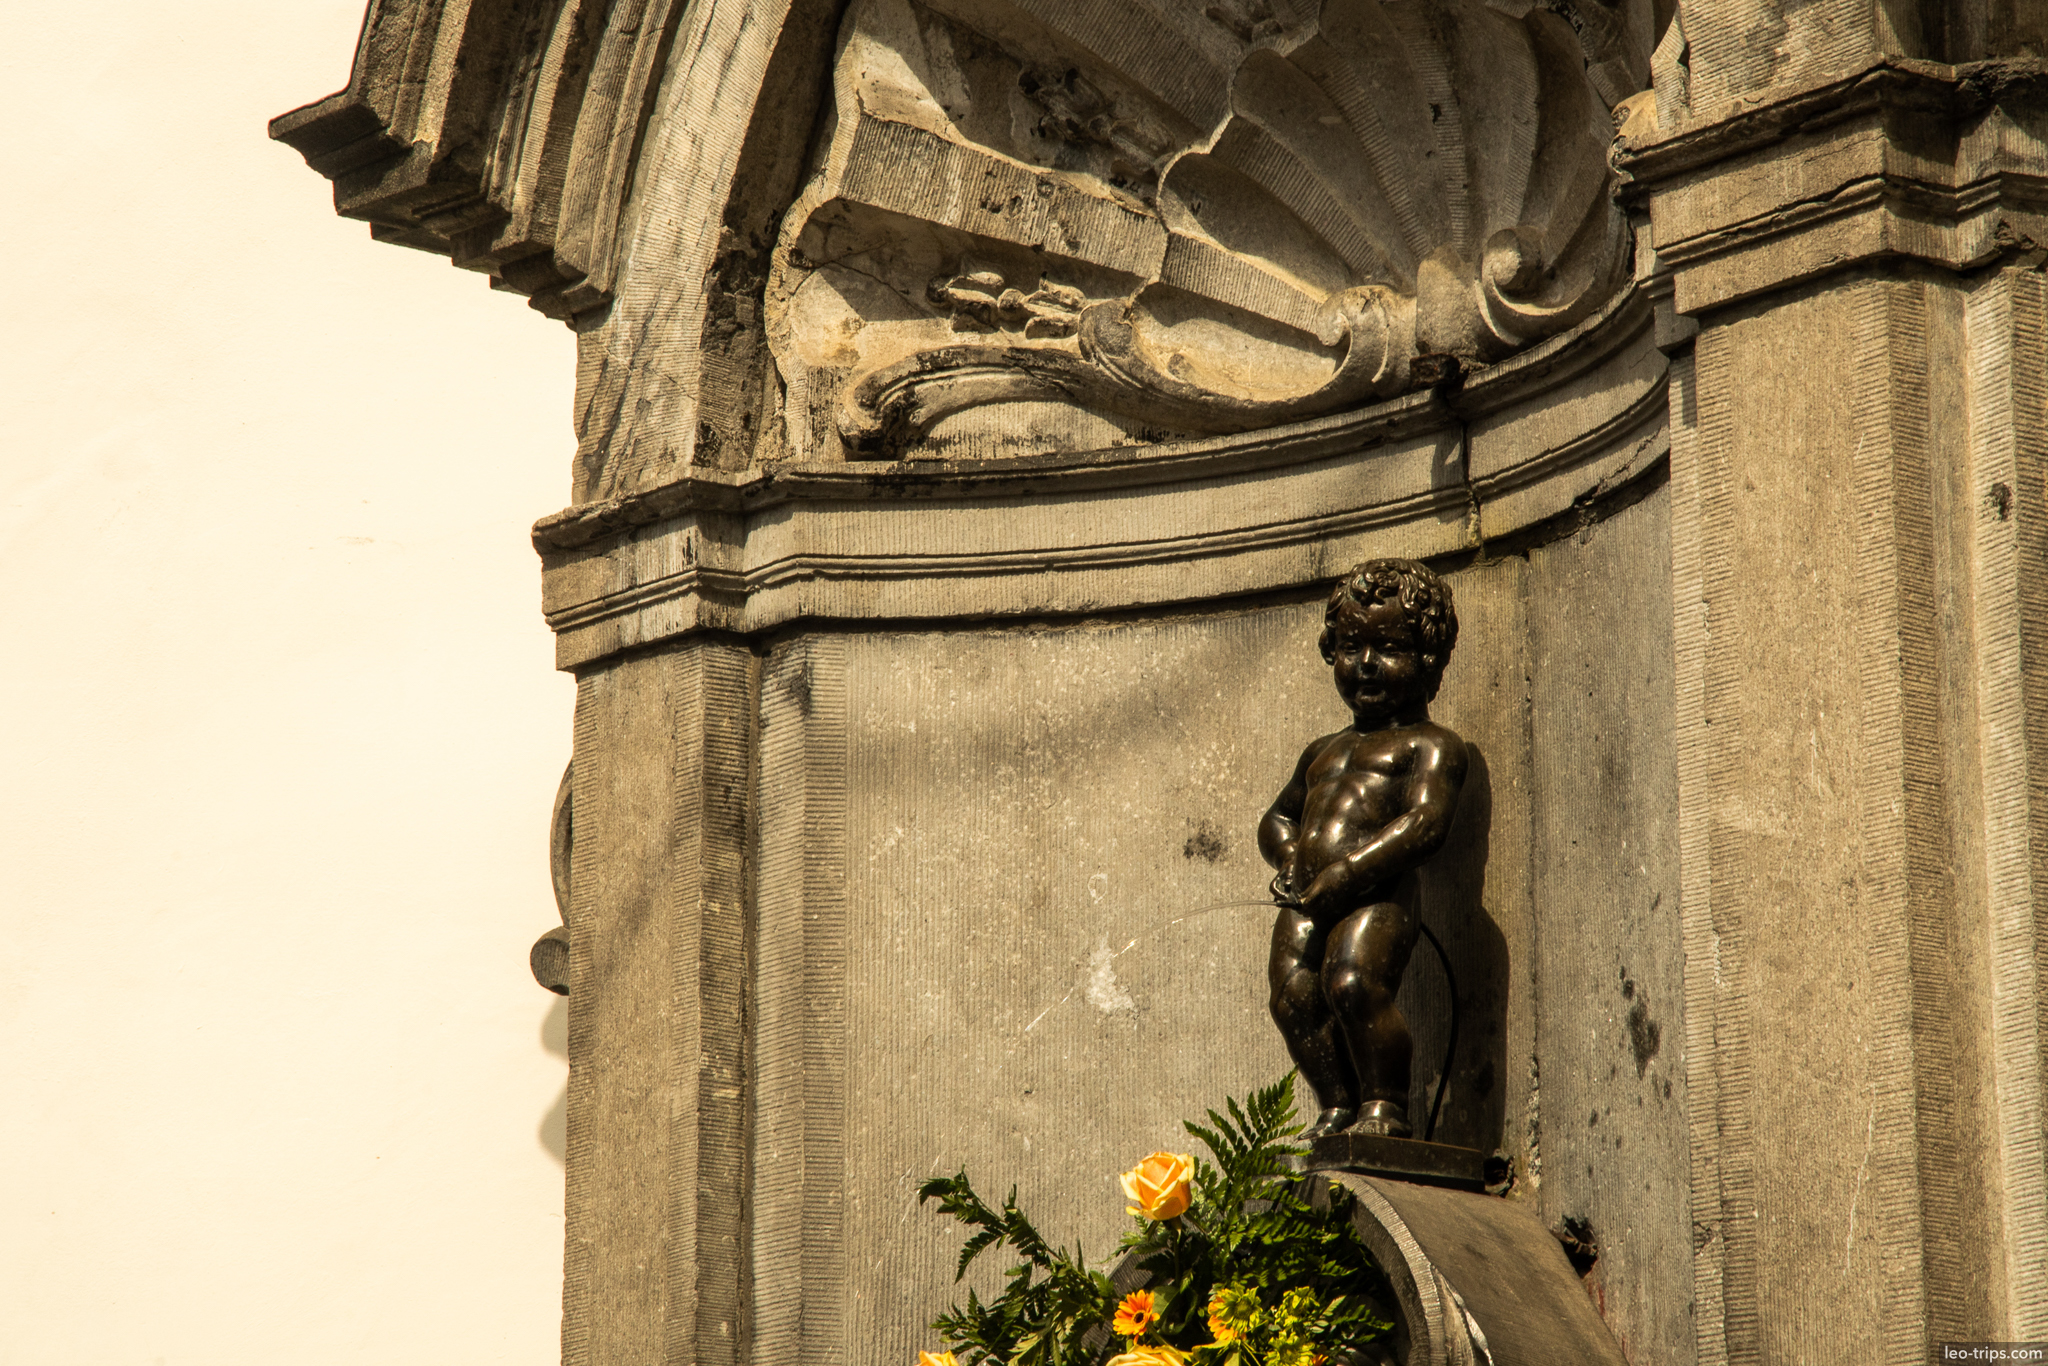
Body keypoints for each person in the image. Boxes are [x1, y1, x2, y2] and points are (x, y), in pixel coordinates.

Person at [1259, 559, 1468, 1141]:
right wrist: (1288, 857)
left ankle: (1385, 1105)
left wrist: (1349, 874)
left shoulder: (1431, 745)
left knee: (1352, 985)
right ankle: (1336, 1106)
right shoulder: (1322, 751)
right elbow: (1277, 818)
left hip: (1379, 892)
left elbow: (1427, 823)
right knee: (1293, 997)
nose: (1366, 664)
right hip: (1308, 895)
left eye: (1390, 648)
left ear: (1429, 659)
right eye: (1351, 647)